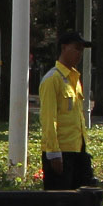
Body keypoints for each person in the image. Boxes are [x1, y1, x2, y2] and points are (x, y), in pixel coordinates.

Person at [40, 33, 91, 192]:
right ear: (63, 48)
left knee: (80, 203)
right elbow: (49, 119)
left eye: (81, 50)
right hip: (61, 153)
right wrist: (54, 153)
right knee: (59, 202)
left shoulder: (74, 80)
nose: (79, 54)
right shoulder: (52, 79)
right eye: (76, 49)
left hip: (78, 150)